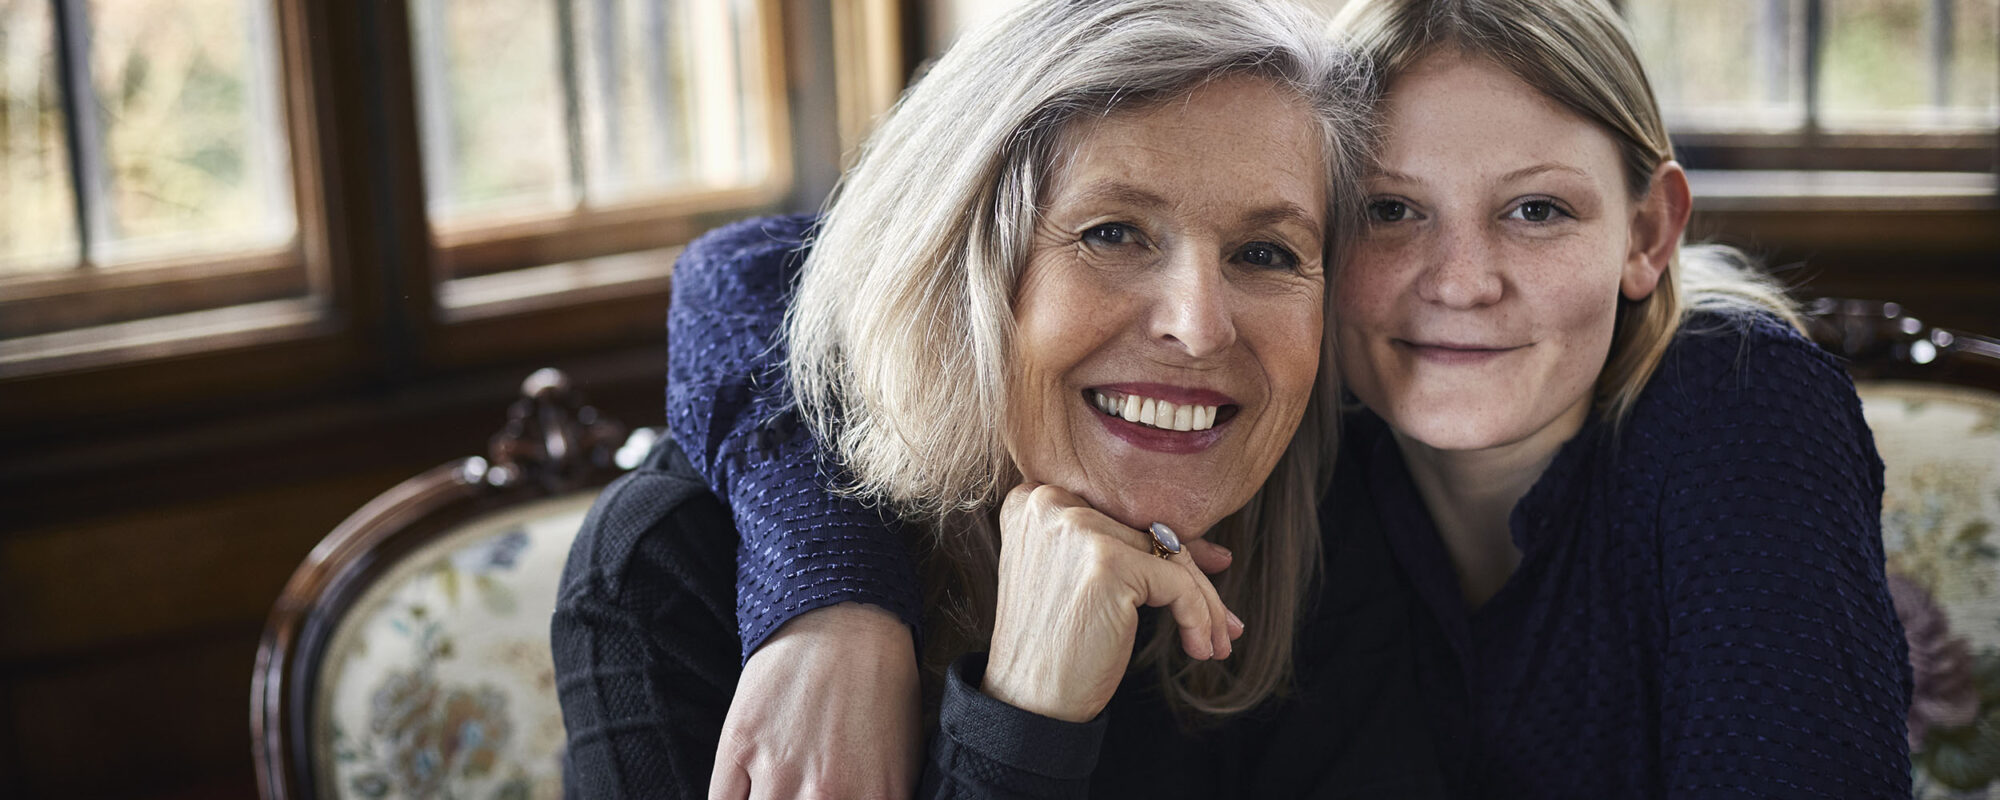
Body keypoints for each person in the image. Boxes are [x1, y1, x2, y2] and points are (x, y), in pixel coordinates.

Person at [654, 0, 1916, 797]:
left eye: (1536, 209)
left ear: (1647, 233)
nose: (1459, 282)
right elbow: (754, 269)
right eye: (1387, 213)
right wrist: (835, 602)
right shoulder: (1298, 445)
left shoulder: (1734, 411)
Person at [552, 0, 1445, 796]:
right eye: (1113, 233)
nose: (1200, 327)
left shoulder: (1327, 518)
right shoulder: (671, 568)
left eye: (1266, 254)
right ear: (956, 267)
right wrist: (1027, 721)